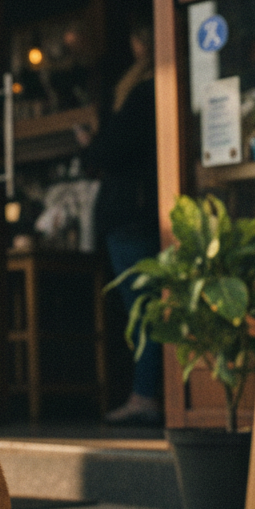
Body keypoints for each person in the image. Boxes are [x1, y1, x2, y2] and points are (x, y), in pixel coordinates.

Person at [77, 22, 162, 426]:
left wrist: (91, 143)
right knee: (148, 306)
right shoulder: (158, 89)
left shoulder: (141, 93)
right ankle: (152, 392)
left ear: (140, 44)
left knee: (142, 309)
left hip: (131, 213)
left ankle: (146, 395)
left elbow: (113, 150)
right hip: (148, 210)